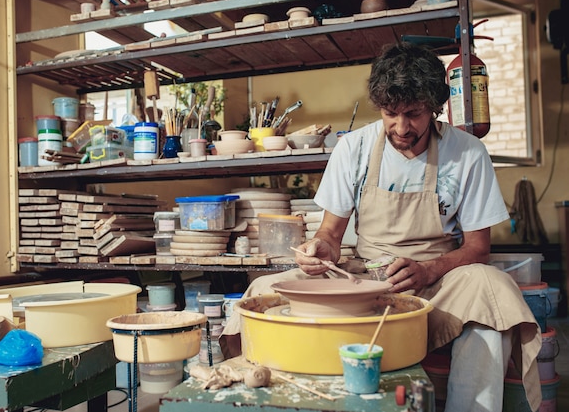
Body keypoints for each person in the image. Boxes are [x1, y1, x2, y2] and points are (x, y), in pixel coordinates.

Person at [220, 42, 541, 412]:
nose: (401, 127)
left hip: (437, 285)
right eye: (391, 113)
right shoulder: (353, 148)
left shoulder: (466, 152)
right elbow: (331, 235)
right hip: (364, 280)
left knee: (493, 287)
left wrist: (429, 269)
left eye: (414, 114)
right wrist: (321, 249)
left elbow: (477, 249)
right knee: (263, 289)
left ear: (434, 107)